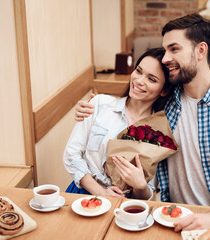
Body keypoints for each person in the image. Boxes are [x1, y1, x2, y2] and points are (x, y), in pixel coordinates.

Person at [75, 13, 210, 231]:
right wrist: (94, 106)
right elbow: (130, 105)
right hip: (170, 218)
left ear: (201, 50)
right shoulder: (164, 101)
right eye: (165, 50)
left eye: (174, 49)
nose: (165, 59)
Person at [63, 48, 172, 200]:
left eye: (151, 79)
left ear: (164, 90)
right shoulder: (99, 104)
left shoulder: (159, 132)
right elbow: (71, 154)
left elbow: (148, 190)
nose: (139, 81)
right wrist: (100, 192)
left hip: (125, 205)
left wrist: (140, 186)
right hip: (84, 196)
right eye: (139, 71)